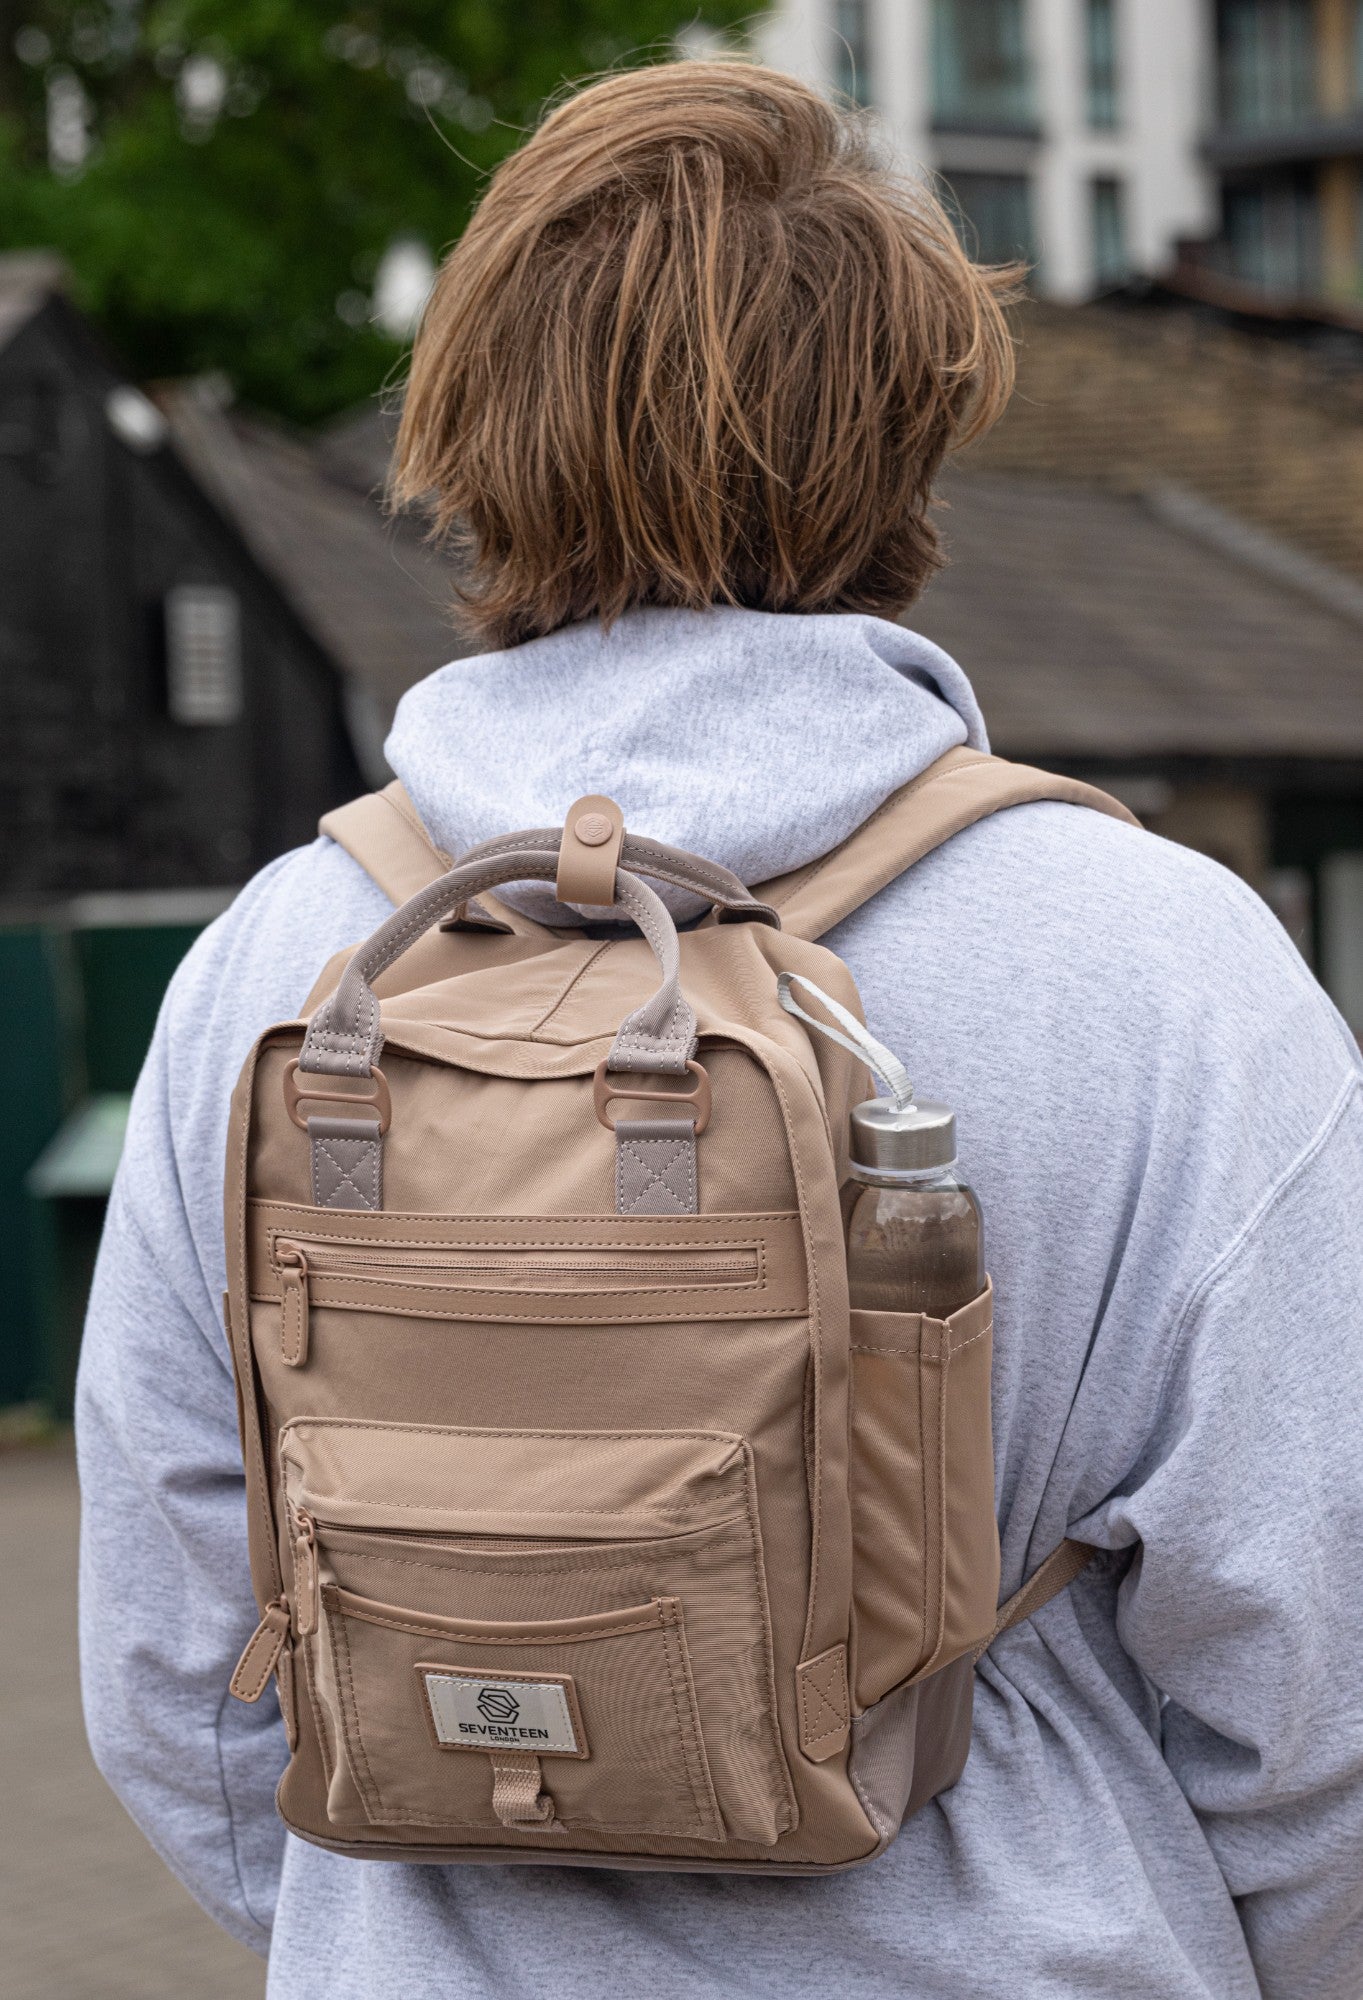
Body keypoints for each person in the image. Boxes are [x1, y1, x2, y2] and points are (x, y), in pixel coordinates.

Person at [77, 59, 1363, 2000]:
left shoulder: (280, 966)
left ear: (466, 423)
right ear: (913, 434)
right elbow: (1313, 1692)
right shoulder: (1170, 966)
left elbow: (177, 1682)